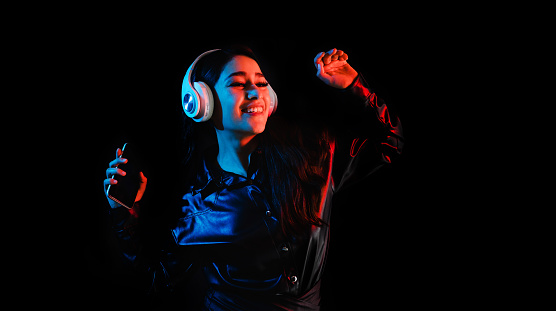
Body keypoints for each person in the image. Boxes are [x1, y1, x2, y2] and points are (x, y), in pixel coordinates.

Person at [103, 46, 403, 310]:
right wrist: (123, 213)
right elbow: (156, 278)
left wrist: (354, 85)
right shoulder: (196, 206)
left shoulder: (315, 157)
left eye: (261, 82)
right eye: (237, 83)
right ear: (201, 101)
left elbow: (390, 142)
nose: (255, 91)